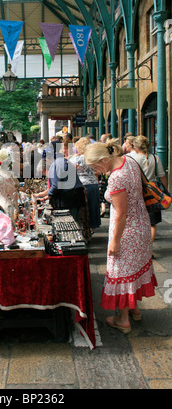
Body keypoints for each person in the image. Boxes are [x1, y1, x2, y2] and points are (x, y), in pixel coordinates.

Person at [84, 138, 157, 333]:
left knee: (122, 274)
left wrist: (115, 242)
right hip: (141, 225)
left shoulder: (116, 177)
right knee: (133, 270)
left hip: (126, 231)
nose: (95, 172)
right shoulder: (130, 161)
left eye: (94, 167)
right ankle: (134, 309)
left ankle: (123, 319)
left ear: (102, 160)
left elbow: (121, 214)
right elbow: (141, 189)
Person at [128, 135, 168, 243]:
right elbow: (162, 176)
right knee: (152, 223)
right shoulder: (155, 157)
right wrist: (164, 190)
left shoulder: (130, 158)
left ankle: (140, 246)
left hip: (136, 191)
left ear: (135, 146)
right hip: (152, 192)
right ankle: (150, 248)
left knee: (136, 221)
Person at [48, 144, 85, 221]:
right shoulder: (64, 161)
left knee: (70, 223)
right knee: (75, 222)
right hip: (76, 195)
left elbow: (56, 185)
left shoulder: (55, 164)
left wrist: (49, 194)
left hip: (68, 198)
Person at [70, 137, 101, 230]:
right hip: (94, 184)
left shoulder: (77, 159)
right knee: (93, 206)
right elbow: (98, 171)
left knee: (85, 209)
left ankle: (86, 228)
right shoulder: (92, 158)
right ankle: (92, 226)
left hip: (83, 184)